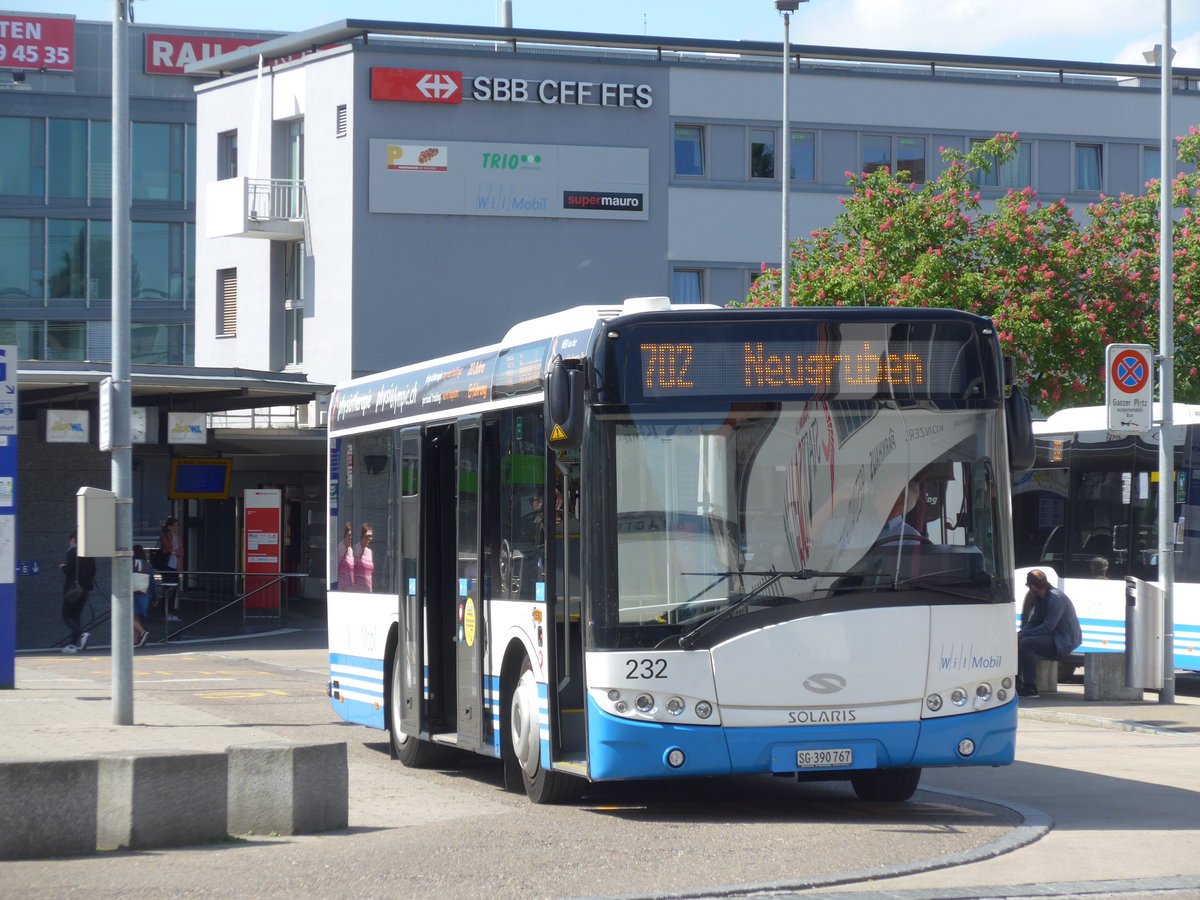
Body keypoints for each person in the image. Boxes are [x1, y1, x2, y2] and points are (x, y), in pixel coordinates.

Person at [1017, 568, 1082, 699]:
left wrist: (1024, 635)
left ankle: (1031, 688)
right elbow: (1034, 621)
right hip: (1053, 637)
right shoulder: (1040, 598)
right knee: (1019, 640)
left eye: (1029, 586)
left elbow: (1048, 627)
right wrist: (1021, 633)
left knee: (1026, 644)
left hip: (1063, 640)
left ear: (1033, 586)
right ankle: (1017, 682)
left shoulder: (1056, 598)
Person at [60, 531, 95, 653]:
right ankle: (73, 646)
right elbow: (93, 572)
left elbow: (69, 570)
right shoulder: (88, 552)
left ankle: (81, 634)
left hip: (73, 589)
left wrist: (63, 567)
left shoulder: (72, 551)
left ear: (74, 539)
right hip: (85, 588)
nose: (69, 543)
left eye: (69, 540)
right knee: (76, 616)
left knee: (67, 616)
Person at [157, 515, 184, 621]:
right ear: (169, 527)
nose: (176, 528)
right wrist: (172, 540)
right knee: (167, 589)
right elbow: (168, 548)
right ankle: (165, 612)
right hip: (167, 565)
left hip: (175, 565)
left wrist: (175, 552)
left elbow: (181, 551)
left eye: (177, 526)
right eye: (174, 526)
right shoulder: (165, 537)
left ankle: (171, 612)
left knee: (174, 588)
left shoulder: (179, 538)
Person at [131, 545, 154, 648]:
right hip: (144, 594)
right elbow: (152, 583)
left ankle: (143, 632)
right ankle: (135, 641)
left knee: (130, 617)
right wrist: (155, 597)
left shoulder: (129, 563)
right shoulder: (148, 566)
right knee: (136, 618)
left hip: (132, 593)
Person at [353, 522, 374, 592]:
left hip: (368, 589)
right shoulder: (356, 549)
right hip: (358, 590)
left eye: (371, 536)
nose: (369, 538)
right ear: (363, 535)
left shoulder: (369, 552)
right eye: (368, 536)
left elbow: (369, 574)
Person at [337, 522, 355, 590]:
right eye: (348, 535)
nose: (350, 538)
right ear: (345, 536)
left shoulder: (350, 549)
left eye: (351, 536)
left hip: (350, 582)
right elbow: (337, 563)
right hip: (342, 583)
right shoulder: (341, 546)